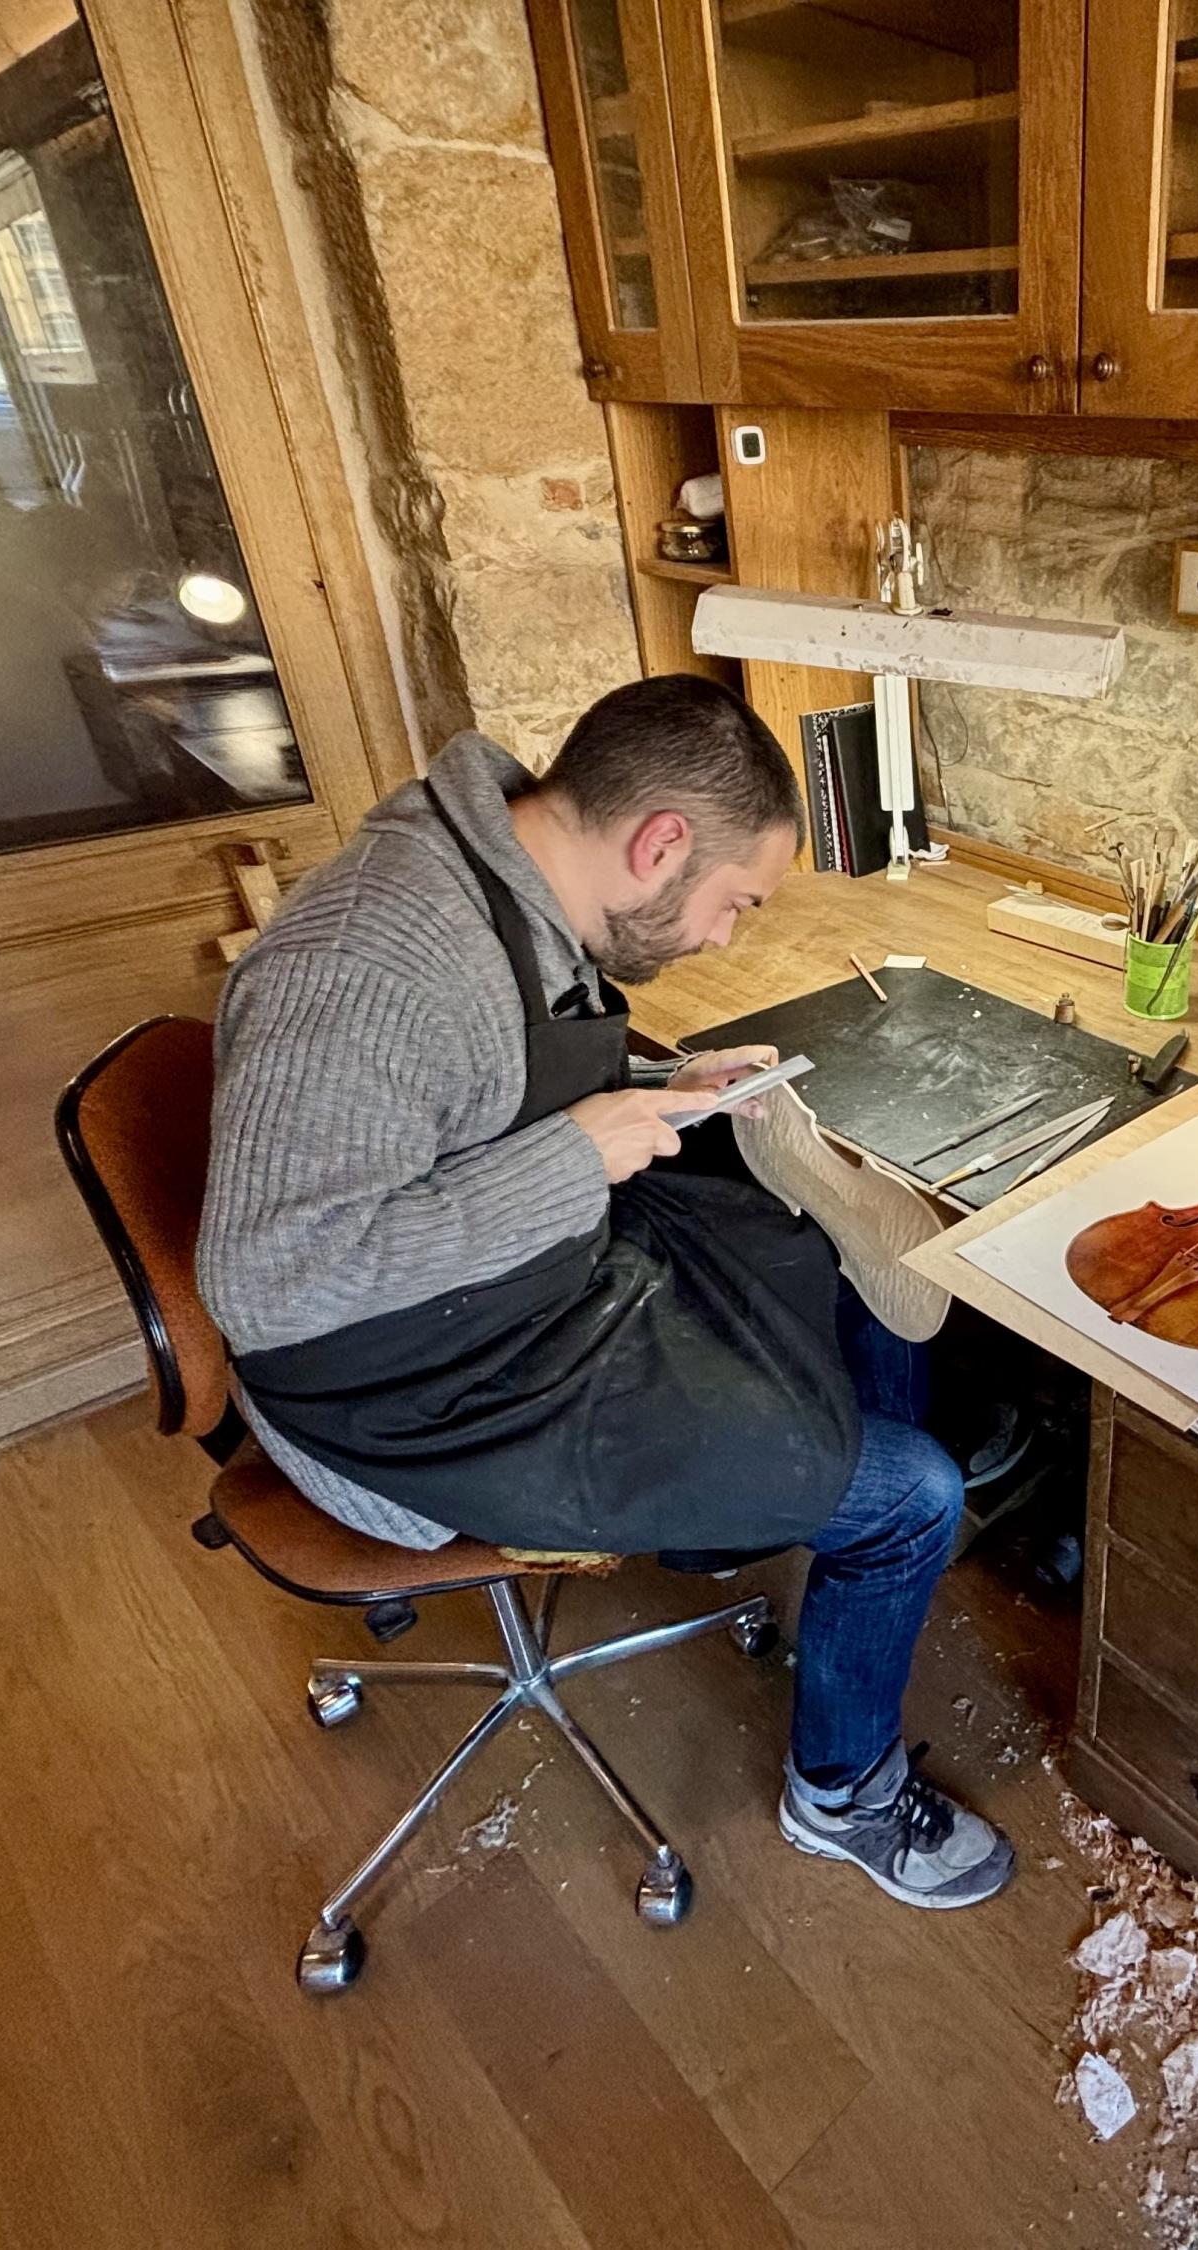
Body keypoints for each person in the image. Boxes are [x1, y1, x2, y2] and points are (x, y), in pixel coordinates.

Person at [198, 676, 1013, 1910]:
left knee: (810, 1254)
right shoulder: (372, 967)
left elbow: (484, 1086)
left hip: (508, 1287)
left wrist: (660, 1083)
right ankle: (840, 1786)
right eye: (735, 903)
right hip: (401, 1388)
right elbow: (269, 1281)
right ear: (662, 844)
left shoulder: (507, 876)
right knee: (916, 1496)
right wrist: (578, 1151)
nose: (728, 937)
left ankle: (799, 1489)